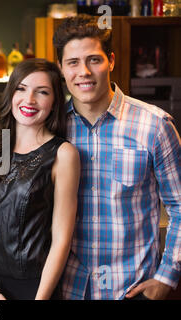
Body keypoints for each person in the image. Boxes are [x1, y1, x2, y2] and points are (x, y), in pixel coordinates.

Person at [53, 15, 181, 300]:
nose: (83, 72)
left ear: (111, 61)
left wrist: (166, 278)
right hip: (68, 289)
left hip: (131, 290)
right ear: (61, 68)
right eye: (72, 62)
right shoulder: (50, 129)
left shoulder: (155, 125)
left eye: (94, 60)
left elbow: (180, 207)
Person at [0, 59, 80, 300]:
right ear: (10, 93)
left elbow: (61, 241)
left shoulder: (63, 154)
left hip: (36, 289)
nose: (29, 100)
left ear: (55, 101)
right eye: (21, 89)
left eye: (42, 92)